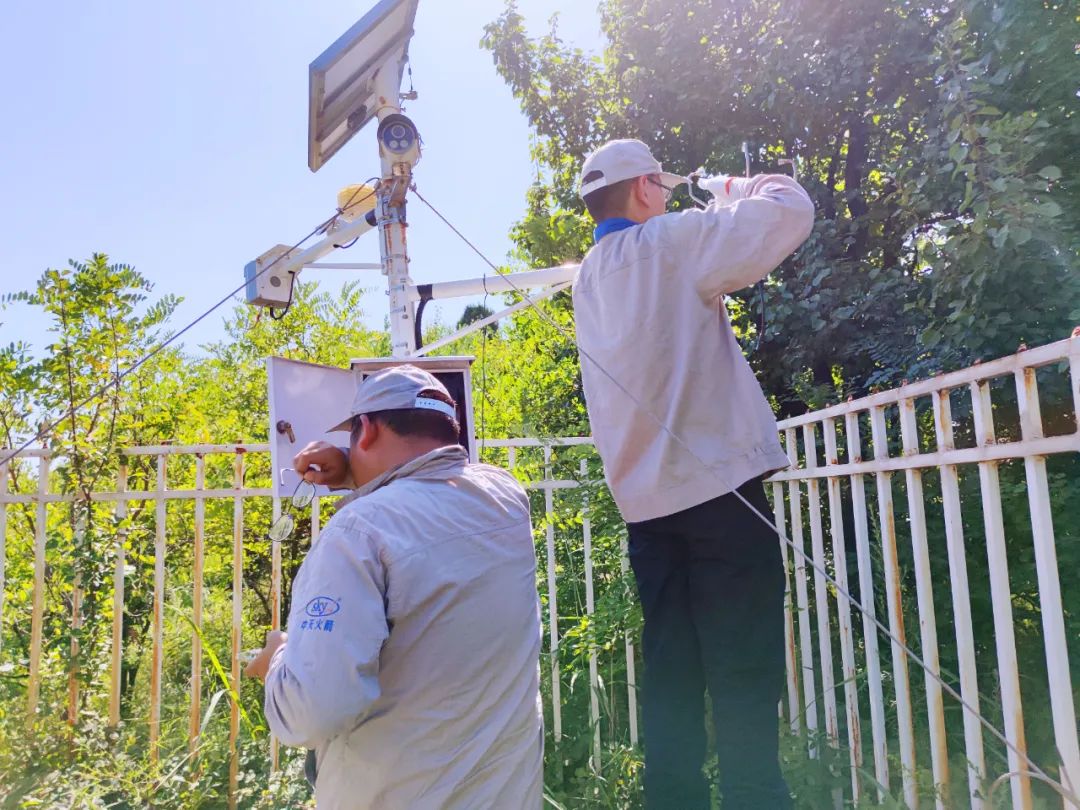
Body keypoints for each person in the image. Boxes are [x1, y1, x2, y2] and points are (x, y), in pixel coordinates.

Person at [572, 138, 814, 809]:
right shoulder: (672, 244)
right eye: (662, 185)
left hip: (646, 510)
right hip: (722, 496)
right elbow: (790, 211)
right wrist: (729, 188)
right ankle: (756, 799)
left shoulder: (587, 278)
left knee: (672, 671)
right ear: (646, 187)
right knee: (743, 666)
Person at [244, 364, 543, 810]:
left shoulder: (358, 531)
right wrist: (355, 472)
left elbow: (312, 711)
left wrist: (277, 663)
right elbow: (429, 490)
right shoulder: (505, 499)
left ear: (365, 430)